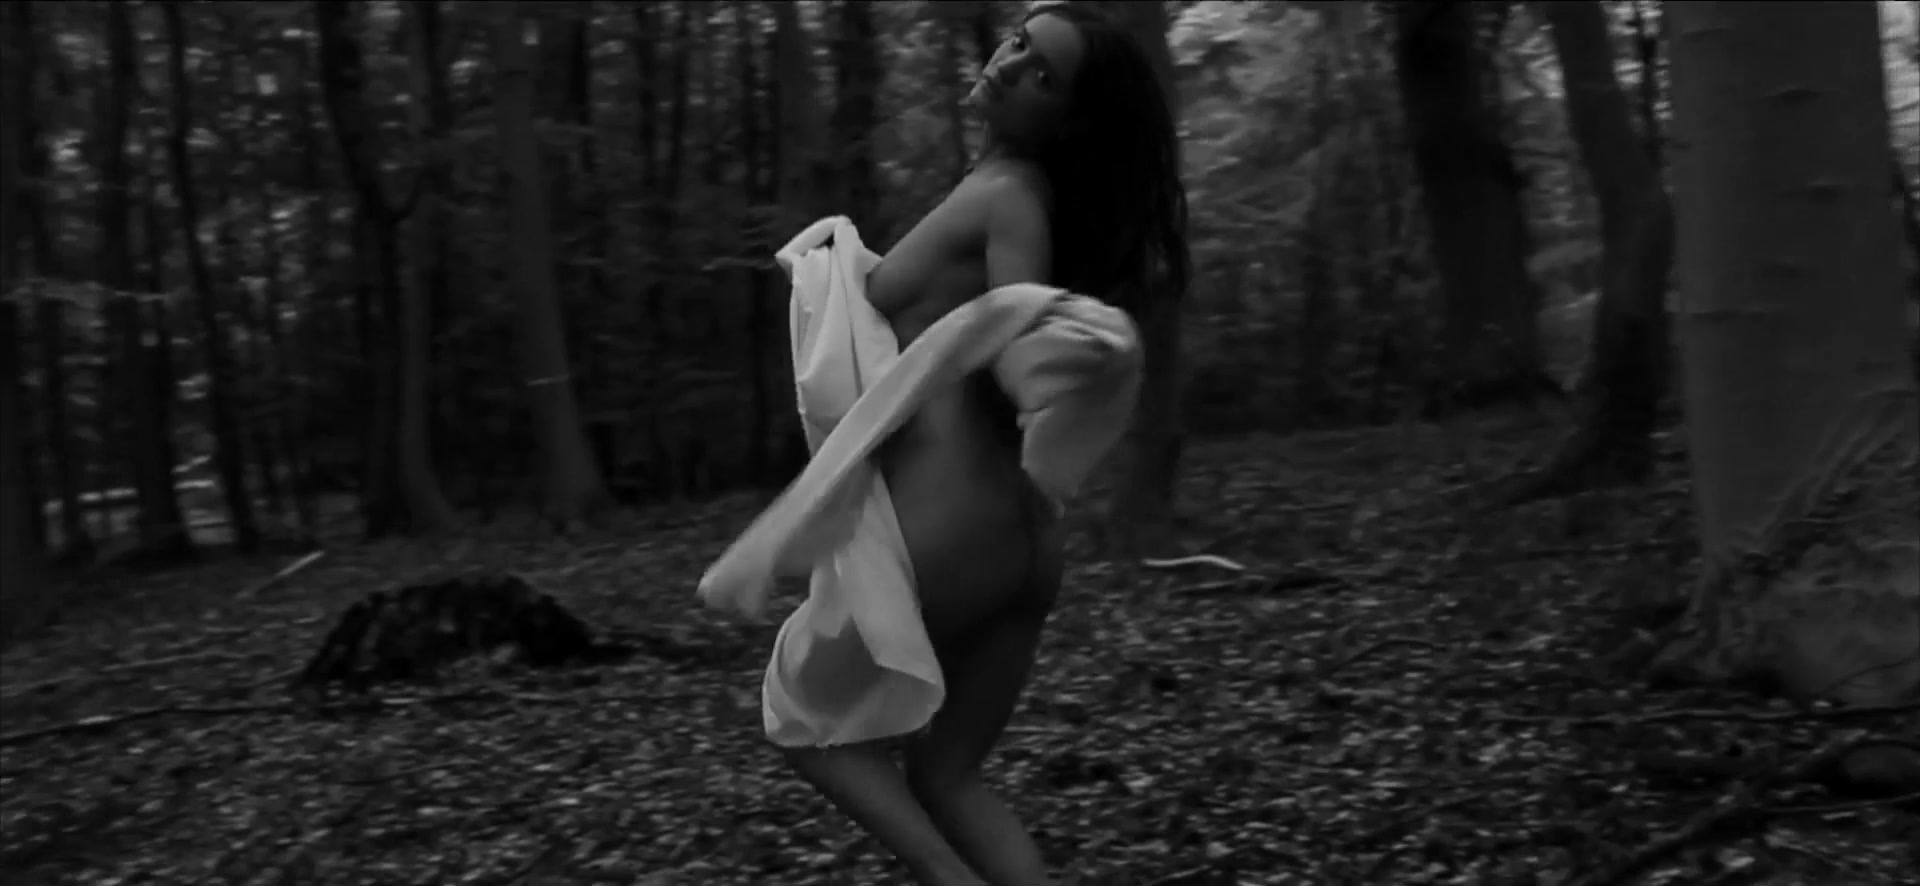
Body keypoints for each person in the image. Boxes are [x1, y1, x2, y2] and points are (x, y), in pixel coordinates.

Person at [774, 5, 1190, 886]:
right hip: (1023, 540)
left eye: (1043, 74)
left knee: (809, 727)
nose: (1009, 65)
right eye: (1018, 42)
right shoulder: (1007, 190)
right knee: (947, 775)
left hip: (956, 521)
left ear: (1070, 119)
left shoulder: (1009, 198)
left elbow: (1016, 325)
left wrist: (1058, 356)